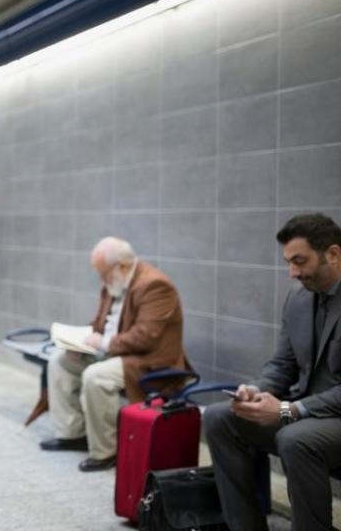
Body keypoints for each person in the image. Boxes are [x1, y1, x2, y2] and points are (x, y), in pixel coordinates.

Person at [203, 213, 341, 531]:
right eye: (288, 262)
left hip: (324, 418)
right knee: (219, 417)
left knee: (296, 438)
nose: (292, 272)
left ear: (332, 254)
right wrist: (255, 391)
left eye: (300, 261)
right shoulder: (298, 299)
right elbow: (282, 365)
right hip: (307, 411)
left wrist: (288, 409)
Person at [40, 237, 187, 472]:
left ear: (122, 266)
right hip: (115, 352)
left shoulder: (155, 285)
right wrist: (78, 341)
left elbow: (146, 336)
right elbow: (100, 323)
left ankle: (106, 451)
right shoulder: (114, 282)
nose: (101, 278)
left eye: (103, 272)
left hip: (149, 361)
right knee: (60, 360)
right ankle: (73, 433)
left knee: (96, 376)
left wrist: (104, 342)